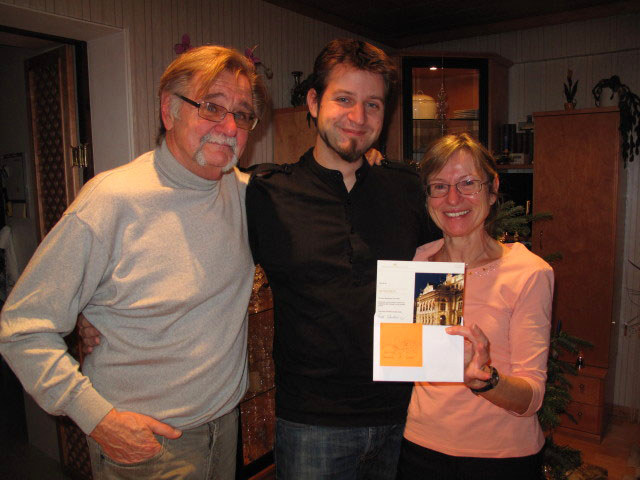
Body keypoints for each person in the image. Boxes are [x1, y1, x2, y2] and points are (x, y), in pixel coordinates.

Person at [0, 45, 267, 479]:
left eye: (242, 113)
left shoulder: (243, 195)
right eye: (212, 107)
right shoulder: (111, 201)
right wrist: (97, 419)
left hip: (225, 428)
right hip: (147, 448)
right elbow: (22, 328)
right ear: (169, 110)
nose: (230, 127)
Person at [246, 39, 435, 479]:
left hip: (405, 414)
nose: (358, 118)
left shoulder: (409, 189)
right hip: (312, 423)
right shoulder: (267, 193)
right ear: (313, 102)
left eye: (373, 104)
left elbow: (447, 262)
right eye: (344, 100)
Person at [397, 133, 554, 480]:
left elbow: (532, 398)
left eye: (468, 183)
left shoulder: (528, 272)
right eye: (439, 186)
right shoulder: (419, 262)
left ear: (493, 188)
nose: (453, 198)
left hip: (501, 458)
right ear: (428, 197)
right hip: (420, 450)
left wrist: (484, 381)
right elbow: (408, 359)